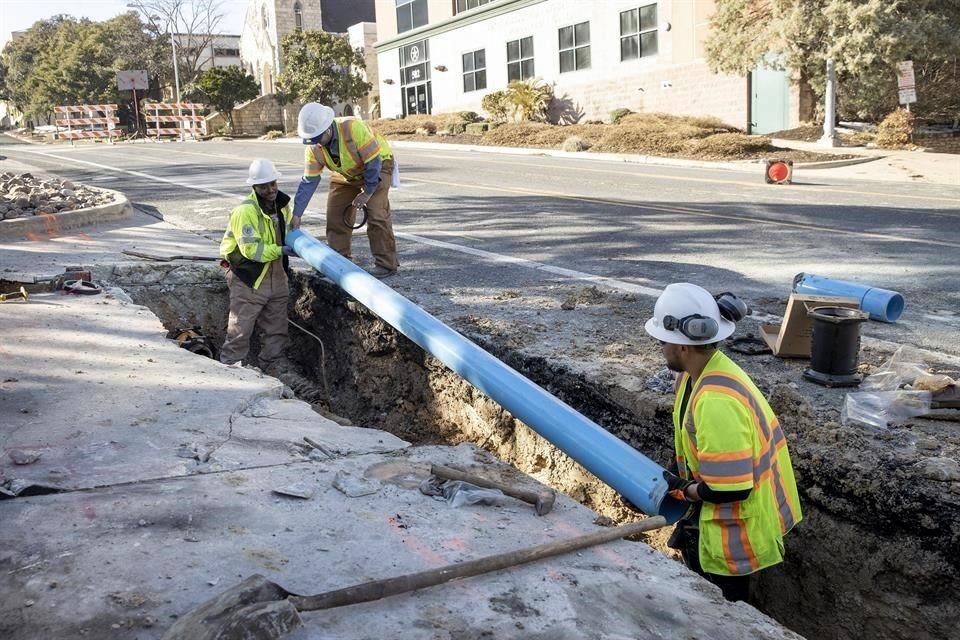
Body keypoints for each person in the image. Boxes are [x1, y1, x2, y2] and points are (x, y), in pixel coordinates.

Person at [643, 283, 802, 602]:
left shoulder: (716, 400)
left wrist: (682, 490)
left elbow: (731, 489)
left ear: (683, 347)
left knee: (725, 612)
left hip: (733, 537)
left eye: (663, 341)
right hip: (723, 525)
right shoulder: (696, 374)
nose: (660, 346)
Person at [291, 102, 399, 279]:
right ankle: (338, 262)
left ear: (327, 130)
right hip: (346, 172)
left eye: (317, 139)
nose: (315, 144)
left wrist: (367, 192)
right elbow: (309, 181)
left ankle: (387, 265)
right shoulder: (313, 147)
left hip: (377, 166)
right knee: (335, 215)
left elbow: (373, 162)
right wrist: (297, 213)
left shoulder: (352, 128)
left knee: (376, 213)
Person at [218, 158, 295, 373]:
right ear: (254, 186)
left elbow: (287, 231)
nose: (270, 190)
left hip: (277, 273)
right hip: (249, 276)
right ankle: (231, 367)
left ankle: (273, 362)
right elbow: (251, 251)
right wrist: (281, 250)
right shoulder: (244, 211)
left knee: (277, 325)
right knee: (241, 327)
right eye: (263, 186)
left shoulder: (283, 205)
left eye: (273, 184)